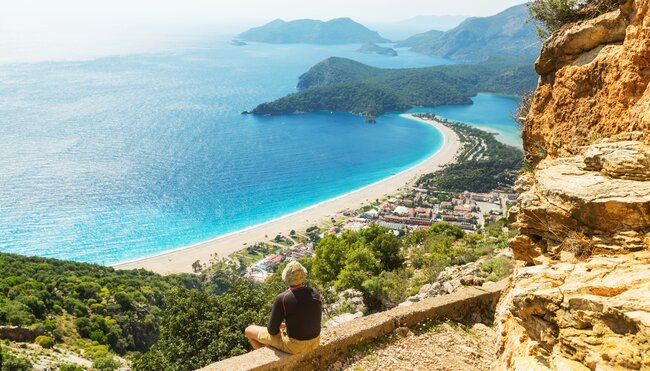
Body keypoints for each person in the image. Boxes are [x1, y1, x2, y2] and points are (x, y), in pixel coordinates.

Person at [244, 261, 322, 354]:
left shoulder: (282, 298)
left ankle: (269, 361)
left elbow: (272, 330)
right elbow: (308, 317)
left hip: (295, 346)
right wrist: (287, 325)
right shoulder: (314, 291)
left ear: (286, 278)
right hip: (315, 341)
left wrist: (279, 326)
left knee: (249, 330)